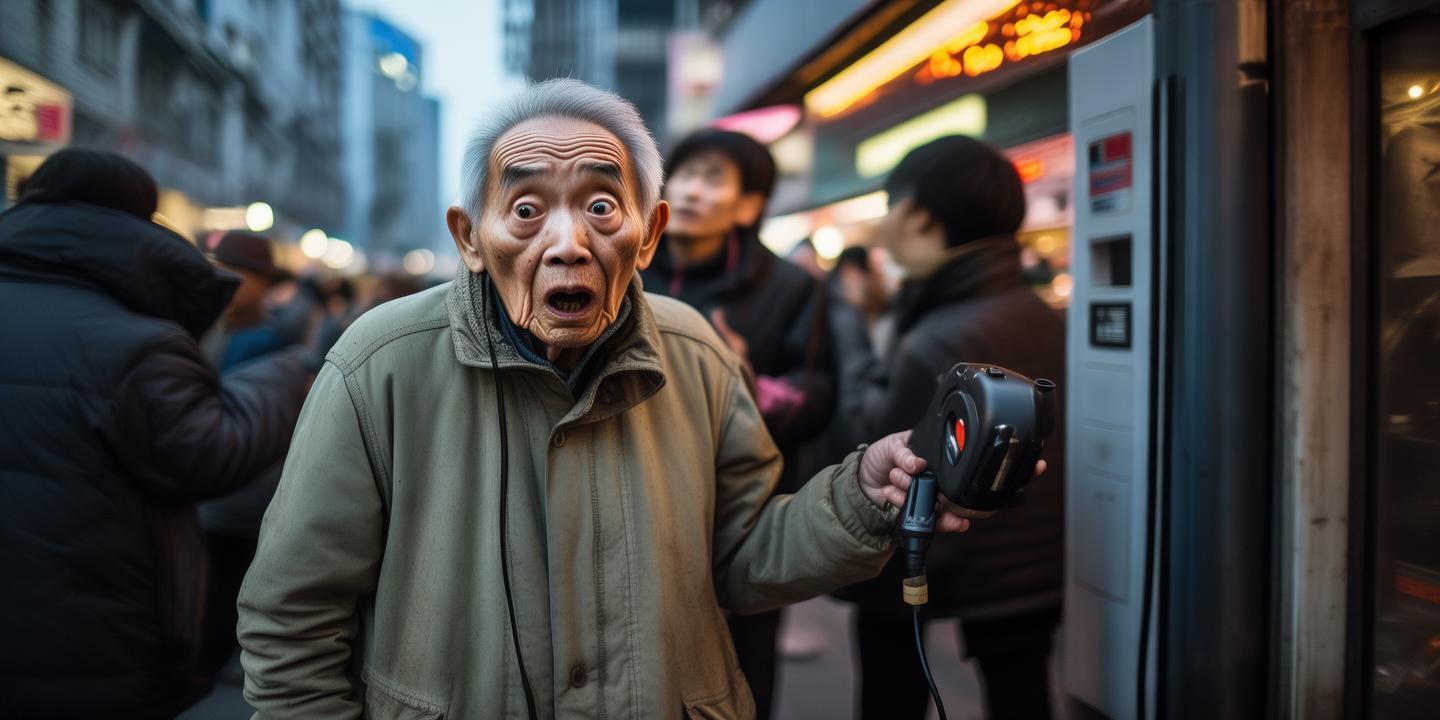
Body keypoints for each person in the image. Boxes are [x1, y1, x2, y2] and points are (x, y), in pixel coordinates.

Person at [235, 80, 1010, 719]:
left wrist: (859, 498)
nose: (569, 243)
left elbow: (742, 556)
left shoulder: (696, 352)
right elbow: (294, 614)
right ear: (471, 237)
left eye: (603, 207)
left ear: (648, 235)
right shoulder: (380, 363)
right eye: (528, 210)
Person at [0, 149, 312, 718]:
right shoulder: (132, 342)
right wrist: (295, 374)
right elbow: (208, 453)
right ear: (135, 226)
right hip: (88, 641)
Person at [838, 136, 1067, 720]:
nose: (884, 229)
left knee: (893, 689)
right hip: (1030, 563)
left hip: (936, 561)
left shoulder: (936, 338)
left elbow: (883, 453)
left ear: (916, 216)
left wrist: (855, 343)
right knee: (1023, 694)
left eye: (889, 208)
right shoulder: (1041, 312)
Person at [638, 128, 837, 716]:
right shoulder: (626, 264)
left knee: (745, 660)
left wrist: (744, 383)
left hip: (744, 506)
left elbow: (817, 392)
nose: (693, 190)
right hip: (645, 486)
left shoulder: (791, 286)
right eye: (686, 174)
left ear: (750, 205)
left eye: (713, 178)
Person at [200, 230, 292, 371]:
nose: (222, 283)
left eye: (231, 273)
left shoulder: (263, 343)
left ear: (262, 281)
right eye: (218, 272)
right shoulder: (215, 325)